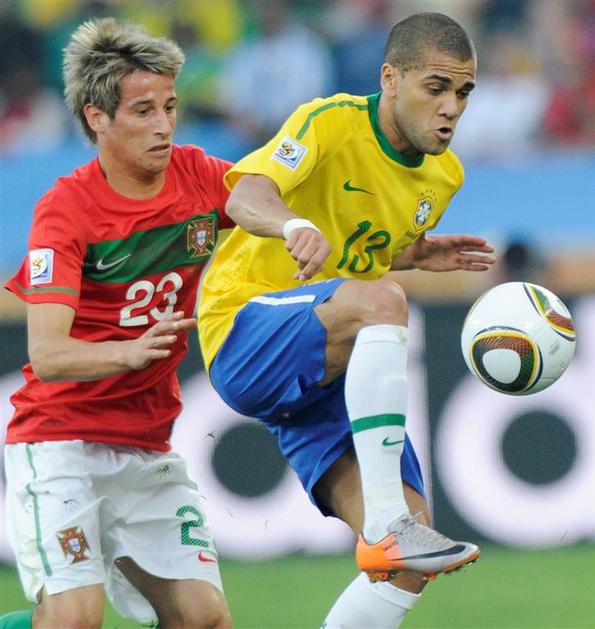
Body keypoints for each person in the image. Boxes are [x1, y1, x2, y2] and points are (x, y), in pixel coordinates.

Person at [198, 12, 495, 628]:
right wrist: (291, 224)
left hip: (326, 369)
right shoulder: (330, 121)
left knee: (412, 560)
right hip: (245, 325)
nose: (451, 108)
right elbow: (245, 194)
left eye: (463, 92)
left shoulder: (444, 176)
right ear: (390, 78)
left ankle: (391, 530)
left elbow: (361, 249)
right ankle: (386, 521)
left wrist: (414, 253)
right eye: (436, 87)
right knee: (383, 302)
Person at [2, 18, 234, 629]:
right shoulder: (66, 210)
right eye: (143, 111)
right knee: (75, 619)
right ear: (97, 117)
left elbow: (266, 200)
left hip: (145, 443)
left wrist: (397, 247)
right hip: (60, 441)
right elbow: (48, 354)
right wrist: (127, 353)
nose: (164, 125)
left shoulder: (197, 174)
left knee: (204, 618)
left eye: (170, 107)